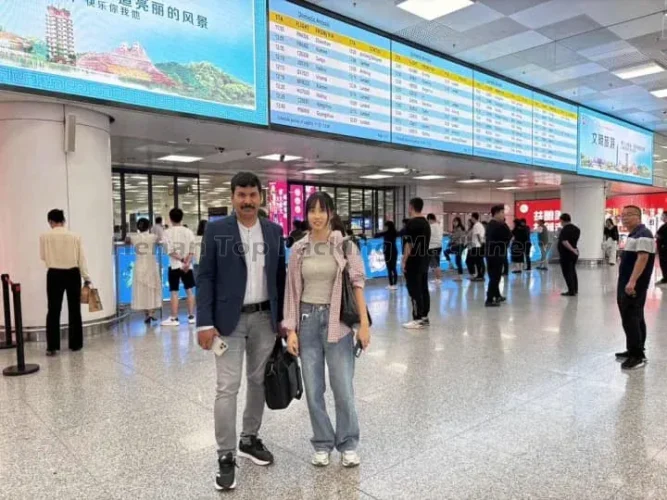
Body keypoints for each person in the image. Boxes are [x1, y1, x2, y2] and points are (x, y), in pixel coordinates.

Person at [196, 172, 286, 491]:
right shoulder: (217, 230)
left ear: (261, 197)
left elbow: (281, 277)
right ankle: (225, 454)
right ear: (232, 197)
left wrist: (283, 319)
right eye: (241, 195)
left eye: (252, 195)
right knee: (227, 387)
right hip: (226, 323)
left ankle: (249, 439)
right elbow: (204, 275)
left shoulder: (274, 231)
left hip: (265, 318)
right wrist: (204, 323)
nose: (247, 201)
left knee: (259, 381)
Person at [284, 191, 369, 469]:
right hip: (307, 320)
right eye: (312, 211)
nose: (317, 216)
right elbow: (292, 291)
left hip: (339, 323)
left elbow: (357, 284)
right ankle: (322, 442)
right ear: (306, 215)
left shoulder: (345, 246)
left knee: (342, 387)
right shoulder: (299, 248)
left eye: (322, 210)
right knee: (313, 388)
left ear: (331, 213)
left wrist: (364, 326)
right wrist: (291, 330)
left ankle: (348, 443)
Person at [40, 209, 91, 356]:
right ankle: (75, 344)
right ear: (63, 220)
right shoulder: (75, 236)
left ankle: (52, 346)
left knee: (53, 310)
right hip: (72, 273)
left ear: (50, 221)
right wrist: (86, 277)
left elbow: (43, 256)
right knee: (74, 309)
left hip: (54, 274)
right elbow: (82, 258)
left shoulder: (44, 236)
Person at [615, 206, 655, 370]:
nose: (624, 218)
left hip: (634, 285)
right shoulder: (634, 234)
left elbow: (643, 258)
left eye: (628, 215)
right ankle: (634, 348)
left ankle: (637, 356)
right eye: (622, 216)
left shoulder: (643, 234)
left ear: (638, 217)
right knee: (634, 317)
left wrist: (632, 282)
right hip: (627, 282)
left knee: (631, 317)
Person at [161, 208, 196, 326]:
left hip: (174, 266)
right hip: (187, 266)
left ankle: (174, 318)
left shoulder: (167, 233)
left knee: (174, 291)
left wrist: (181, 260)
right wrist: (187, 262)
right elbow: (192, 249)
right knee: (189, 290)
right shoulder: (189, 232)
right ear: (182, 218)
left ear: (170, 219)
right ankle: (191, 316)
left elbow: (169, 251)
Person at [402, 198, 431, 329]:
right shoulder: (426, 223)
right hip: (424, 259)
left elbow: (408, 245)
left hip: (413, 260)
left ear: (411, 207)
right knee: (423, 288)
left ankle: (417, 317)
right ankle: (424, 316)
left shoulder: (411, 224)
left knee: (414, 289)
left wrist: (404, 261)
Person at [129, 218, 161, 324]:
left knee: (142, 290)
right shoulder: (153, 237)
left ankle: (146, 314)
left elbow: (126, 240)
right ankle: (151, 313)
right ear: (149, 226)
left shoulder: (134, 238)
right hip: (151, 265)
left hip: (139, 265)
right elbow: (161, 238)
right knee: (151, 290)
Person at [485, 205, 512, 307]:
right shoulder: (497, 225)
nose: (503, 215)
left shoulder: (492, 224)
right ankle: (489, 299)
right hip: (495, 254)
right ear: (496, 213)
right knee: (495, 277)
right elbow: (509, 235)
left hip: (493, 254)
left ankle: (497, 295)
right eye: (502, 213)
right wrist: (504, 224)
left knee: (495, 276)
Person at [558, 213, 581, 297]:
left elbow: (564, 241)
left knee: (567, 272)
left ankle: (571, 291)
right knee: (572, 271)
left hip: (566, 254)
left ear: (562, 220)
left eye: (560, 221)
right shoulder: (576, 229)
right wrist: (574, 250)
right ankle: (575, 289)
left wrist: (572, 250)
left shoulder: (565, 229)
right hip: (574, 253)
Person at [376, 221, 398, 290]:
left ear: (388, 226)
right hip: (393, 252)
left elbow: (376, 235)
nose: (384, 227)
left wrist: (382, 231)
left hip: (388, 252)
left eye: (385, 226)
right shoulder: (394, 232)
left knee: (390, 269)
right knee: (393, 268)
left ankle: (391, 284)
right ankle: (394, 284)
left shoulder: (386, 233)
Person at [426, 214, 443, 283]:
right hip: (439, 246)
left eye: (428, 220)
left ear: (430, 219)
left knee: (435, 263)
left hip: (432, 247)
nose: (428, 221)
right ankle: (437, 278)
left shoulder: (431, 226)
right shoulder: (439, 226)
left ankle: (438, 279)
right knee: (436, 263)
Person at [469, 212, 485, 281]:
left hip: (477, 246)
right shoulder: (480, 225)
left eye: (471, 217)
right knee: (479, 261)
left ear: (473, 217)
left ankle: (480, 276)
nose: (471, 219)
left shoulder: (476, 225)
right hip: (479, 245)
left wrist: (481, 244)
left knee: (478, 261)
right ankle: (480, 275)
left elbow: (478, 235)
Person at [656, 211, 667, 284]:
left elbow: (660, 235)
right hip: (662, 249)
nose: (661, 217)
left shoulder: (665, 227)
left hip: (665, 249)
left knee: (664, 263)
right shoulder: (664, 226)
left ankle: (665, 278)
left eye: (663, 215)